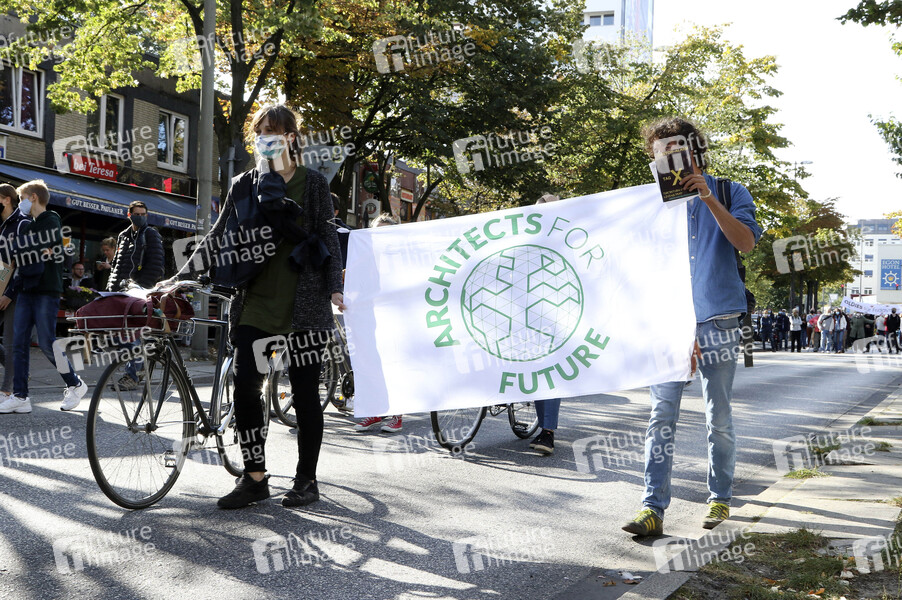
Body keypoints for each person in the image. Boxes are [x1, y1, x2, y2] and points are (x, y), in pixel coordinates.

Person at [175, 104, 345, 510]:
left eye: (273, 130)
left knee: (305, 395)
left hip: (304, 305)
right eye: (261, 131)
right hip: (256, 303)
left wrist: (335, 288)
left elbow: (327, 236)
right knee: (247, 389)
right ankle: (254, 478)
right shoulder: (244, 183)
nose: (265, 137)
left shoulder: (313, 183)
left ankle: (306, 480)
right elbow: (219, 234)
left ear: (290, 137)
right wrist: (178, 275)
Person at [622, 118, 761, 537]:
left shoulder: (730, 191)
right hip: (668, 324)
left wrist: (707, 198)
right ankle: (652, 509)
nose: (669, 156)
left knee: (718, 416)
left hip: (719, 319)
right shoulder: (647, 204)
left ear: (695, 150)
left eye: (677, 148)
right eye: (660, 151)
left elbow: (746, 243)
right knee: (660, 417)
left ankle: (720, 498)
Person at [0, 180, 87, 414]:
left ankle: (75, 383)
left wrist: (36, 250)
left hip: (46, 290)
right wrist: (37, 251)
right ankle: (20, 396)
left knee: (47, 342)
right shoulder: (30, 225)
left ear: (34, 197)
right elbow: (19, 252)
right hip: (26, 288)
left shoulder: (51, 219)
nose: (20, 204)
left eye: (22, 199)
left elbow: (31, 249)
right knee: (19, 344)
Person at [354, 213, 402, 434]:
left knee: (392, 363)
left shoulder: (399, 258)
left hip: (393, 316)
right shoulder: (365, 256)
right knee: (370, 364)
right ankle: (374, 411)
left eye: (385, 232)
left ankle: (398, 414)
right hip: (369, 316)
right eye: (376, 232)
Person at [0, 183, 30, 403]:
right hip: (1, 287)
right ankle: (18, 372)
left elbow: (24, 263)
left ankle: (7, 391)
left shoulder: (22, 224)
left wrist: (9, 293)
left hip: (16, 292)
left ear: (6, 199)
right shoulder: (2, 226)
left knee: (10, 341)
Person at [107, 201, 164, 291]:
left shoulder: (151, 234)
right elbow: (116, 265)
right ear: (129, 215)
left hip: (135, 292)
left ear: (146, 215)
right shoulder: (123, 235)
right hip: (117, 290)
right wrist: (110, 285)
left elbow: (155, 266)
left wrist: (139, 288)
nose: (140, 217)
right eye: (137, 214)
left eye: (143, 214)